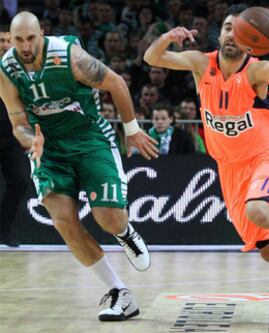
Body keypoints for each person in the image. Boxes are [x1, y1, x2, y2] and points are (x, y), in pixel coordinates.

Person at [144, 4, 269, 325]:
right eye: (227, 27)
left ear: (249, 40)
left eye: (237, 30)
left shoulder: (253, 71)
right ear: (221, 33)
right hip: (230, 168)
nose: (231, 34)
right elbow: (152, 59)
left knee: (257, 209)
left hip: (266, 155)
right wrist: (168, 36)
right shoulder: (202, 63)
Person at [0, 12, 159, 321]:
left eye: (30, 38)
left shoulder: (68, 55)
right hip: (49, 148)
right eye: (18, 40)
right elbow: (18, 121)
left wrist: (132, 130)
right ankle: (119, 294)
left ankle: (124, 232)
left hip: (89, 138)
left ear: (42, 33)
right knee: (63, 220)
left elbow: (116, 83)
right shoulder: (6, 69)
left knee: (109, 220)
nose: (24, 45)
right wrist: (30, 140)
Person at [0, 25, 28, 247]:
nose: (5, 45)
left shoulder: (22, 68)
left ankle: (5, 230)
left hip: (13, 136)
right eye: (1, 40)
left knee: (20, 181)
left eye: (8, 41)